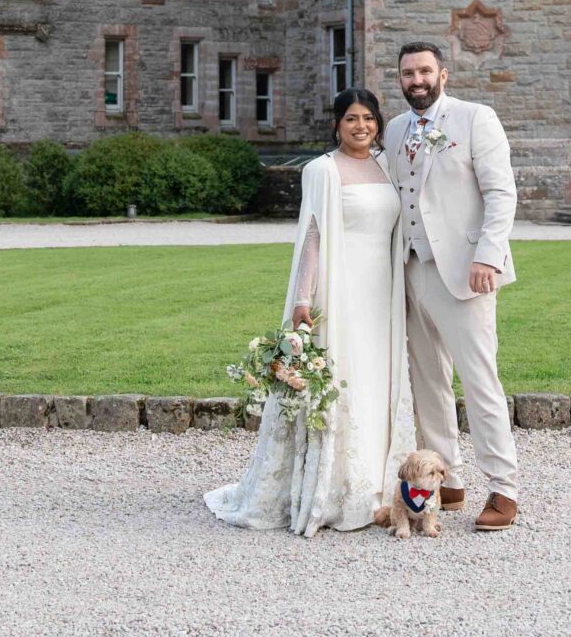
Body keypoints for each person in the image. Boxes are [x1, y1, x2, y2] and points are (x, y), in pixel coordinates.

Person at [205, 88, 414, 536]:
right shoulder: (322, 170)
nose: (362, 127)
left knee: (378, 379)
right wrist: (303, 297)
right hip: (339, 293)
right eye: (352, 119)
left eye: (369, 119)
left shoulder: (387, 167)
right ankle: (337, 487)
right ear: (336, 124)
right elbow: (313, 237)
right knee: (345, 377)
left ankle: (378, 485)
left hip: (383, 293)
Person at [385, 40, 521, 532]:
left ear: (443, 74)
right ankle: (446, 480)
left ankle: (504, 488)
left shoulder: (474, 118)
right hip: (412, 268)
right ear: (399, 79)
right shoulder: (396, 129)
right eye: (407, 73)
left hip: (467, 270)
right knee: (428, 384)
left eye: (424, 71)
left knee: (480, 380)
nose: (416, 80)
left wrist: (488, 255)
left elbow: (501, 192)